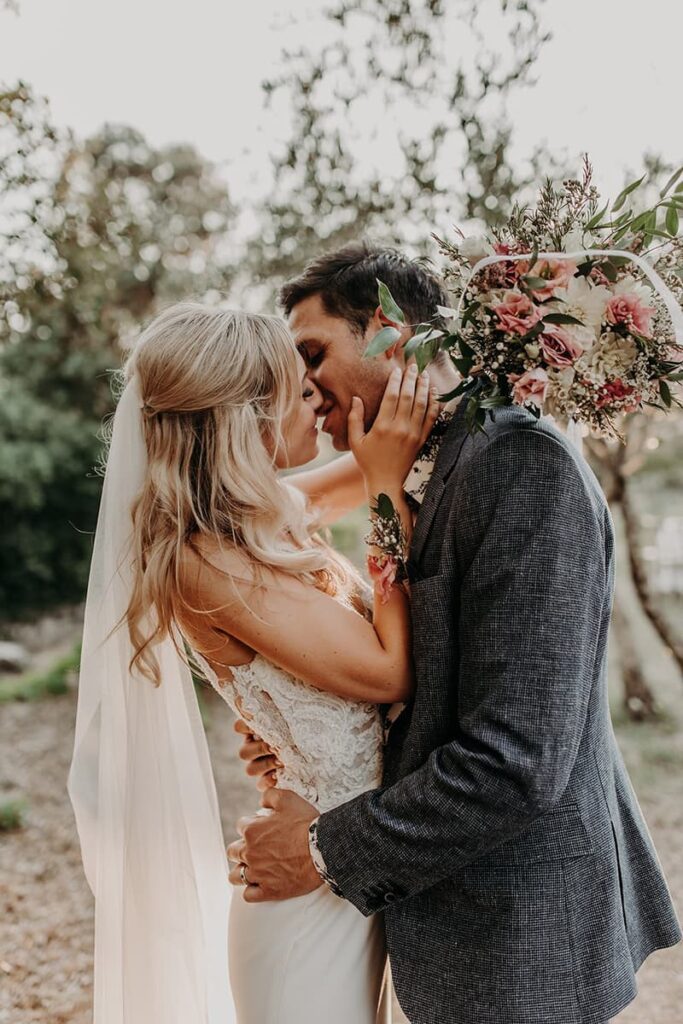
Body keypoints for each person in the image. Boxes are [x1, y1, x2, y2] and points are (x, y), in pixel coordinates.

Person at [234, 241, 682, 1024]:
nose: (304, 388)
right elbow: (430, 682)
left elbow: (514, 760)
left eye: (314, 354)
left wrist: (320, 851)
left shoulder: (520, 465)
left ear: (386, 326)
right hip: (451, 914)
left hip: (519, 928)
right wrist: (300, 730)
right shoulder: (425, 459)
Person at [68, 300, 440, 1024]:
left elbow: (355, 472)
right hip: (304, 911)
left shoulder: (253, 518)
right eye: (296, 392)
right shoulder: (203, 559)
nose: (315, 403)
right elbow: (387, 671)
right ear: (248, 416)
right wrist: (390, 489)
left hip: (351, 873)